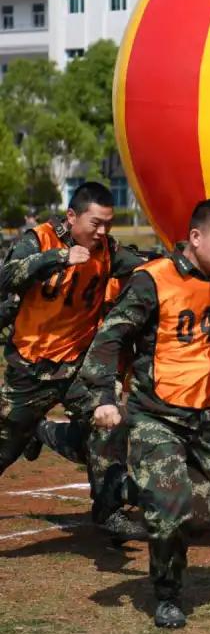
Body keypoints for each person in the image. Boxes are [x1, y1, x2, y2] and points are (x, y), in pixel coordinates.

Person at [78, 199, 210, 628]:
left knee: (198, 514)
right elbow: (108, 339)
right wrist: (103, 397)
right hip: (157, 416)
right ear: (195, 237)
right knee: (169, 511)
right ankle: (168, 595)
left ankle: (134, 484)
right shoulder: (152, 281)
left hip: (204, 420)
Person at [0, 183, 146, 538]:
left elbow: (148, 264)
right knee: (6, 445)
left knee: (108, 422)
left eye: (108, 224)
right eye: (95, 223)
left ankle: (108, 509)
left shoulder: (107, 250)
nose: (102, 232)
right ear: (71, 216)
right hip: (31, 368)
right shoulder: (40, 239)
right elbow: (6, 276)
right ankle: (36, 431)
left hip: (80, 366)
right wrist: (61, 257)